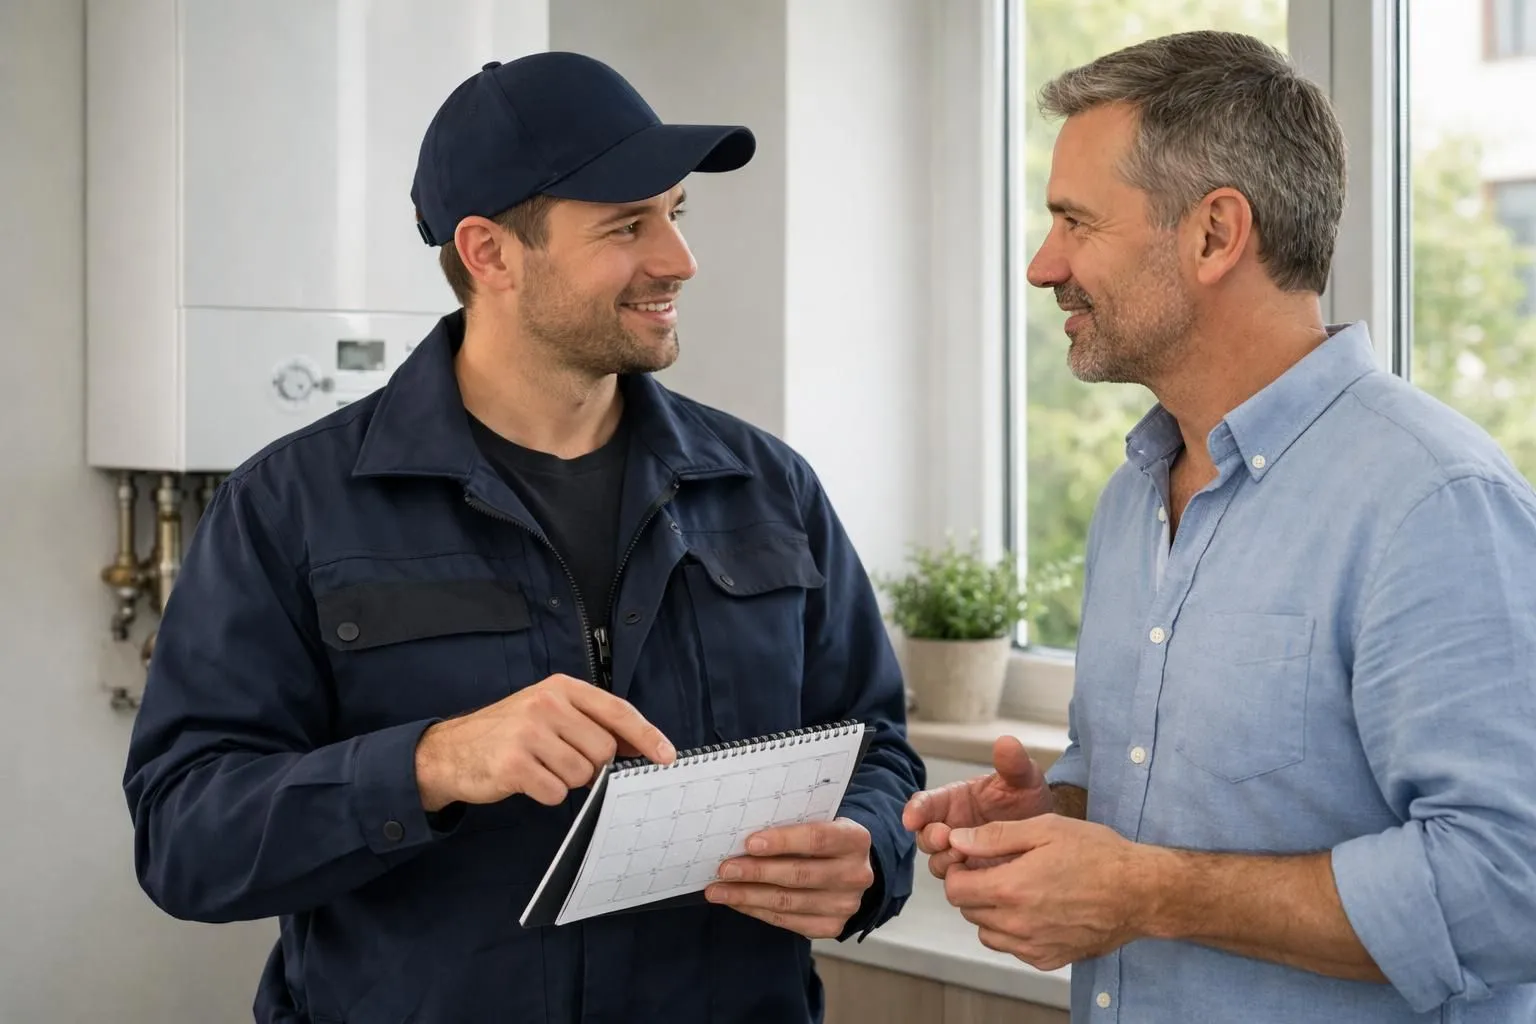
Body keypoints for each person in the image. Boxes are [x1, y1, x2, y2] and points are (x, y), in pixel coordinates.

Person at [123, 51, 923, 1024]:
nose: (678, 258)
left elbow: (873, 742)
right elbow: (185, 837)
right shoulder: (290, 506)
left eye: (676, 212)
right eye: (628, 225)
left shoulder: (767, 489)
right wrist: (432, 762)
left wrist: (868, 850)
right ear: (491, 252)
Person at [903, 29, 1536, 1023]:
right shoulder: (1132, 497)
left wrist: (1151, 890)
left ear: (1213, 234)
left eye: (1076, 221)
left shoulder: (1434, 501)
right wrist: (1052, 820)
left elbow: (1511, 885)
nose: (1041, 265)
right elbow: (1165, 804)